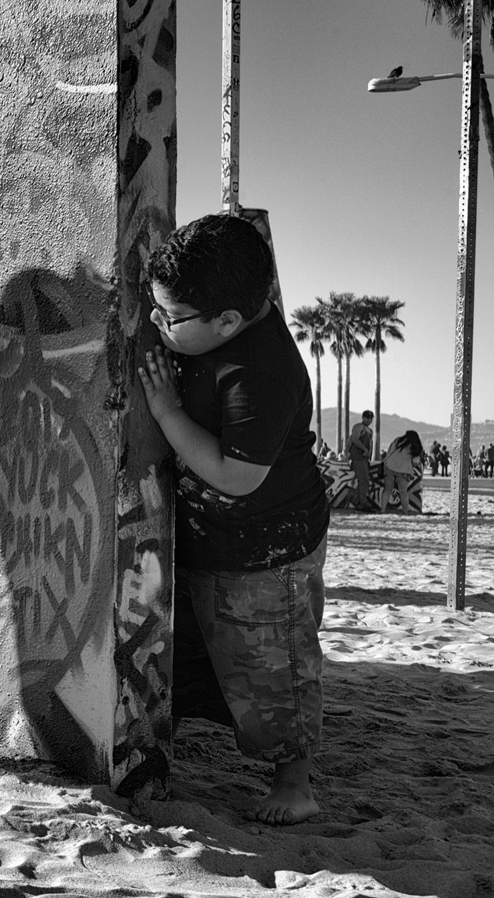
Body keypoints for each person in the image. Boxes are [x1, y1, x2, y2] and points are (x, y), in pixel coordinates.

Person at [137, 214, 329, 826]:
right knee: (213, 649)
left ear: (227, 321)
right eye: (155, 308)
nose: (158, 325)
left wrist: (166, 414)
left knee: (274, 665)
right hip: (217, 538)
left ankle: (295, 783)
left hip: (268, 551)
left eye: (172, 317)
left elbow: (237, 475)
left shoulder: (261, 371)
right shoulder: (218, 318)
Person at [380, 430, 425, 513]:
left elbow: (389, 452)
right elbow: (416, 461)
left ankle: (382, 510)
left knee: (387, 490)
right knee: (403, 492)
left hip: (390, 466)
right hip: (404, 470)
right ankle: (405, 511)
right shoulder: (415, 446)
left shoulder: (397, 441)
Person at [348, 410, 375, 511]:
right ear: (363, 418)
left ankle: (359, 501)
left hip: (363, 459)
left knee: (363, 481)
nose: (369, 420)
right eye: (367, 418)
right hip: (357, 457)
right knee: (364, 480)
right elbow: (355, 439)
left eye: (371, 418)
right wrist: (364, 449)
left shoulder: (369, 431)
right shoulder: (358, 427)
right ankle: (362, 503)